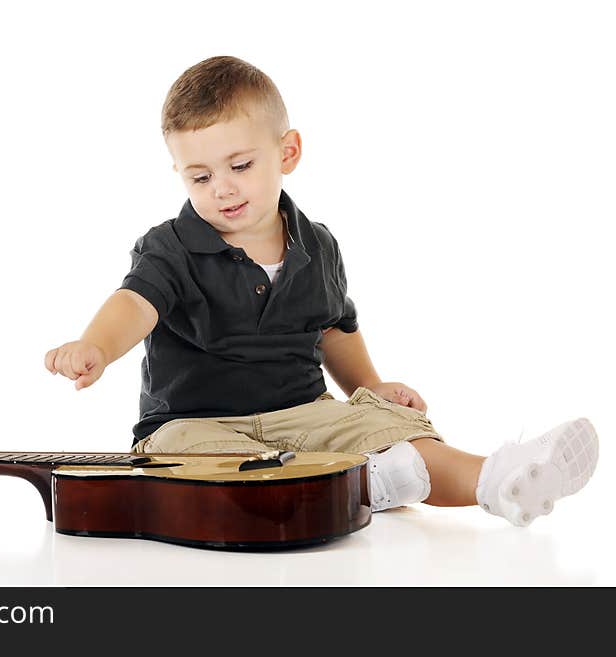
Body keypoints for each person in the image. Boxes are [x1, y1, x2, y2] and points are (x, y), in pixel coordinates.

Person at [44, 55, 598, 527]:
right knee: (187, 464)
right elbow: (134, 304)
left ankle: (497, 480)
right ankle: (358, 486)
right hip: (198, 425)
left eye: (239, 165)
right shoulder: (170, 246)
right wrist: (96, 346)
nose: (222, 188)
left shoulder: (318, 245)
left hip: (305, 412)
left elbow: (333, 329)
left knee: (390, 428)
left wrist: (373, 386)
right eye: (200, 177)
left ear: (287, 153)